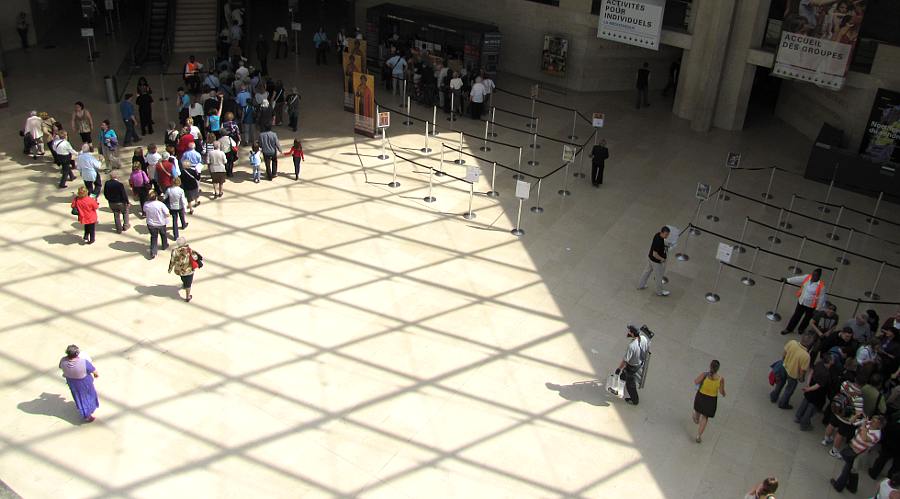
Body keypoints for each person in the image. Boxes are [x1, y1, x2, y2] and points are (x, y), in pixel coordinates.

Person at [832, 415, 884, 493]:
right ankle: (852, 487)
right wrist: (857, 416)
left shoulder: (877, 435)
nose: (871, 421)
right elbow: (852, 422)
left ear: (880, 425)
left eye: (874, 421)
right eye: (872, 419)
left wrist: (863, 426)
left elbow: (864, 438)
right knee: (853, 470)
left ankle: (839, 486)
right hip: (853, 448)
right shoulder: (868, 423)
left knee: (847, 468)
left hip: (859, 453)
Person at [824, 370, 866, 458]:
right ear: (863, 385)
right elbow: (858, 412)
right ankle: (834, 450)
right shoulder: (859, 397)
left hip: (837, 408)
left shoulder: (845, 383)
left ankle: (826, 439)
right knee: (841, 433)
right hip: (846, 416)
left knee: (832, 424)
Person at [771, 332, 814, 409]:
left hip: (784, 367)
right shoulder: (806, 356)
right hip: (793, 375)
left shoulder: (792, 343)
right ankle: (782, 403)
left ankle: (774, 396)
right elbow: (802, 370)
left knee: (780, 383)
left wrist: (784, 362)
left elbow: (784, 354)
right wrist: (801, 378)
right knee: (789, 390)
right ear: (809, 345)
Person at [58, 345, 100, 422]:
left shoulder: (63, 360)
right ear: (77, 353)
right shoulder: (84, 362)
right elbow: (94, 372)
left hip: (71, 382)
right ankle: (88, 414)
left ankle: (86, 411)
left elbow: (60, 367)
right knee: (89, 395)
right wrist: (95, 375)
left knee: (78, 397)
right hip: (84, 382)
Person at [781, 268, 827, 335]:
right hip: (801, 301)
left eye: (815, 275)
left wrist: (817, 309)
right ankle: (789, 329)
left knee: (807, 318)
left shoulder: (821, 286)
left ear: (819, 277)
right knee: (796, 316)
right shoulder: (808, 277)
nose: (813, 276)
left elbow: (822, 298)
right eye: (813, 274)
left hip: (811, 306)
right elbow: (797, 279)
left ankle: (801, 329)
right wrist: (788, 280)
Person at [795, 353, 835, 430]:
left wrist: (808, 384)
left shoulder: (818, 363)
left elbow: (811, 372)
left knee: (805, 401)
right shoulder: (826, 374)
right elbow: (818, 385)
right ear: (829, 362)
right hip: (817, 392)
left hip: (811, 385)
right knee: (811, 407)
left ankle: (798, 416)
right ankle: (804, 424)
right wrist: (809, 389)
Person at [692, 359, 726, 443]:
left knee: (698, 412)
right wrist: (724, 393)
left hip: (701, 396)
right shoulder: (721, 379)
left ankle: (696, 419)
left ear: (710, 366)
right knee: (705, 417)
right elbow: (721, 391)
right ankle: (698, 436)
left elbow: (696, 381)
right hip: (711, 400)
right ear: (718, 369)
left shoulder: (704, 375)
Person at [615, 325, 647, 406]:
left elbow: (625, 360)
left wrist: (618, 369)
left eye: (629, 331)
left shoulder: (632, 346)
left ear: (632, 333)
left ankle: (634, 400)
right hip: (640, 362)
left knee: (630, 385)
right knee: (624, 375)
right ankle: (622, 380)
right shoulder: (643, 338)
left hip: (632, 367)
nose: (628, 332)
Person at [637, 226, 670, 296]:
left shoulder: (658, 235)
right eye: (666, 234)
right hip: (656, 262)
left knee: (647, 271)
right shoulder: (659, 241)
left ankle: (641, 285)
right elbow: (655, 254)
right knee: (659, 276)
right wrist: (662, 259)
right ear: (662, 232)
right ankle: (659, 292)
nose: (667, 236)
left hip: (650, 258)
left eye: (668, 234)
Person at [169, 237, 201, 302]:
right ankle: (188, 297)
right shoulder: (189, 250)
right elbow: (195, 258)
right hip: (189, 270)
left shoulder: (174, 251)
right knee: (188, 284)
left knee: (183, 278)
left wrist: (170, 268)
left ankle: (184, 284)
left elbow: (172, 261)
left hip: (179, 270)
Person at [143, 191, 170, 258]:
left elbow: (144, 210)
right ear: (156, 197)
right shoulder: (161, 204)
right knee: (163, 235)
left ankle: (153, 252)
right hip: (161, 223)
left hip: (151, 224)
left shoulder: (146, 204)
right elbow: (167, 214)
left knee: (154, 237)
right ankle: (164, 245)